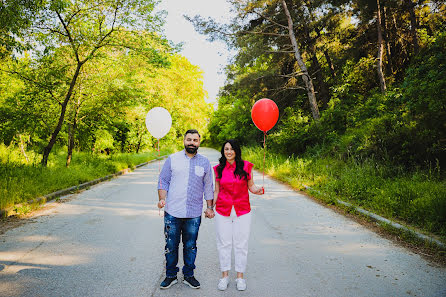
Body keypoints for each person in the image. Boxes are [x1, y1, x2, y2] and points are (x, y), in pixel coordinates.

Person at [157, 129, 215, 290]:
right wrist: (162, 198)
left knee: (190, 246)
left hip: (194, 213)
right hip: (172, 211)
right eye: (189, 139)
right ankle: (170, 276)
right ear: (184, 141)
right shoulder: (173, 159)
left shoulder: (204, 162)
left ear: (199, 142)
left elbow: (208, 187)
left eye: (195, 140)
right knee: (171, 245)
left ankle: (189, 275)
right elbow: (163, 180)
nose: (192, 142)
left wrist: (210, 207)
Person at [212, 139, 264, 291]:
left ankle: (240, 277)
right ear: (223, 151)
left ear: (236, 151)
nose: (228, 152)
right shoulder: (218, 169)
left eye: (231, 149)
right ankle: (224, 276)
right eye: (226, 149)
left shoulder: (246, 166)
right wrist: (210, 207)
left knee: (241, 244)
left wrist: (258, 190)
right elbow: (216, 191)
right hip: (222, 210)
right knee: (224, 244)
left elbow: (251, 186)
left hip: (242, 211)